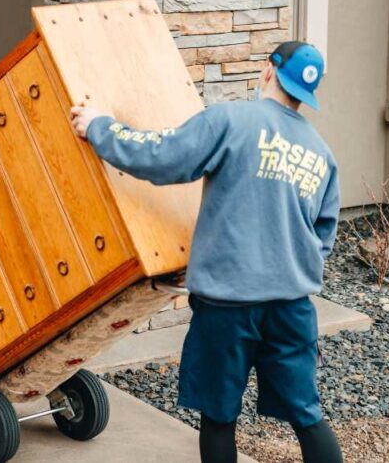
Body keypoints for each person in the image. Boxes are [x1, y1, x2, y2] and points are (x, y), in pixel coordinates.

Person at [70, 41, 344, 463]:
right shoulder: (322, 154)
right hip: (292, 308)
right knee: (307, 414)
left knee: (219, 415)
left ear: (269, 72)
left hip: (228, 307)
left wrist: (99, 128)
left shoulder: (232, 121)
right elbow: (323, 235)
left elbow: (161, 157)